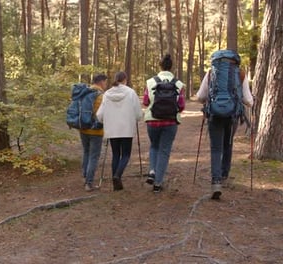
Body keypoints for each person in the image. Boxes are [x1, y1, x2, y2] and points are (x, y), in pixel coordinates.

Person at [196, 51, 253, 200]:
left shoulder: (211, 73)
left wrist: (208, 100)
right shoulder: (240, 74)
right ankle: (224, 175)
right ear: (235, 61)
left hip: (214, 114)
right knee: (228, 144)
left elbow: (200, 97)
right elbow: (248, 100)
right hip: (232, 115)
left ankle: (216, 182)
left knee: (216, 148)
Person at [143, 54, 186, 193]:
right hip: (170, 122)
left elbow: (145, 101)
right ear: (171, 66)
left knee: (154, 146)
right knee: (164, 150)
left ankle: (152, 171)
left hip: (152, 120)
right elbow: (181, 105)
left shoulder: (150, 82)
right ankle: (158, 183)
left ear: (160, 66)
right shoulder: (179, 84)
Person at [97, 71, 143, 191]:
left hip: (112, 129)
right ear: (125, 80)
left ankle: (115, 181)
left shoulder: (107, 94)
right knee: (126, 154)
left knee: (116, 154)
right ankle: (117, 175)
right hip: (126, 129)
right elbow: (138, 113)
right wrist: (137, 118)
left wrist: (104, 121)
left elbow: (100, 114)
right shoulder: (131, 93)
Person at [80, 74, 108, 191]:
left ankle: (85, 177)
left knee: (86, 152)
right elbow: (102, 114)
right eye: (105, 82)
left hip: (83, 128)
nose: (106, 84)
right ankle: (89, 183)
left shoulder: (84, 93)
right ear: (101, 82)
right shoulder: (101, 96)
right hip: (96, 130)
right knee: (94, 156)